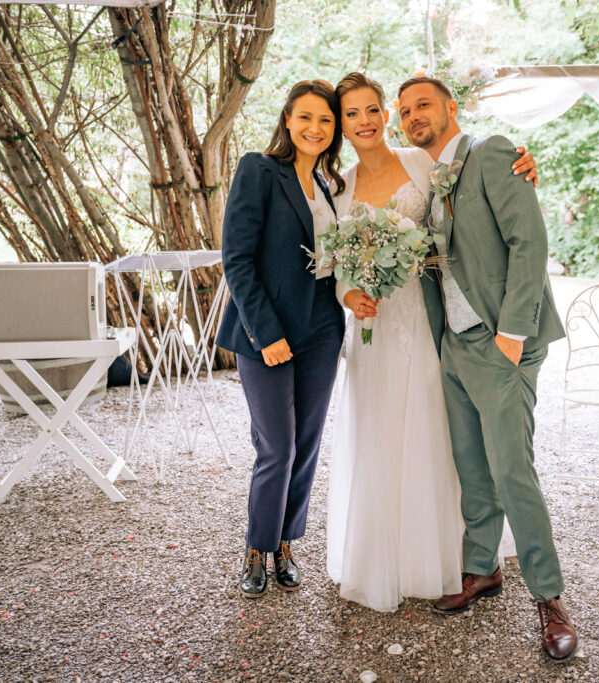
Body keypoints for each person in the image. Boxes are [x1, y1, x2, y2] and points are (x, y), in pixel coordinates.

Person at [325, 73, 537, 613]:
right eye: (352, 114)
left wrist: (524, 167)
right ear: (342, 125)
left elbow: (476, 203)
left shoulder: (422, 164)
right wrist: (353, 296)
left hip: (429, 320)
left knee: (440, 437)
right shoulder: (339, 186)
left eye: (374, 109)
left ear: (385, 115)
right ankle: (387, 557)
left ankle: (453, 555)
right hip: (373, 330)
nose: (366, 120)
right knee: (380, 434)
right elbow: (336, 267)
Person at [398, 75, 579, 663]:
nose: (412, 116)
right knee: (472, 467)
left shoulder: (495, 152)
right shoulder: (426, 179)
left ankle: (549, 598)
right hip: (453, 343)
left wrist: (512, 332)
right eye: (405, 110)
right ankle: (483, 569)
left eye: (422, 104)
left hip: (503, 343)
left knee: (511, 471)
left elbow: (531, 242)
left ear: (451, 108)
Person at [216, 80, 346, 598]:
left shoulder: (332, 185)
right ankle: (256, 547)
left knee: (308, 443)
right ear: (288, 120)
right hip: (267, 329)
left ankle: (287, 544)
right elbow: (238, 259)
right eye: (306, 118)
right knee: (278, 445)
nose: (316, 128)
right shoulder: (258, 170)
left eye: (326, 121)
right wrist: (266, 332)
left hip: (322, 328)